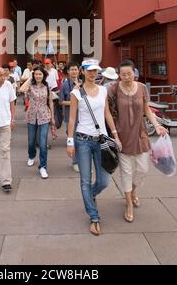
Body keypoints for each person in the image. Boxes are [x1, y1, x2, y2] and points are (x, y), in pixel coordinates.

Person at [107, 59, 167, 223]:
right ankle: (128, 204)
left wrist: (157, 125)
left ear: (134, 73)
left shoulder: (141, 88)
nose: (126, 76)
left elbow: (147, 109)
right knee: (126, 172)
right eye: (123, 74)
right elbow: (105, 108)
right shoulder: (113, 89)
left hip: (140, 133)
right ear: (119, 75)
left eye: (129, 73)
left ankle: (133, 191)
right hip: (122, 135)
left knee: (143, 170)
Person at [67, 59, 121, 236]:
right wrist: (70, 142)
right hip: (83, 140)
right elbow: (72, 119)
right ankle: (94, 216)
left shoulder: (103, 90)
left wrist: (115, 134)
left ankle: (90, 196)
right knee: (84, 180)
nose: (93, 73)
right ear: (82, 71)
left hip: (102, 140)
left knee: (104, 180)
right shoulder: (76, 93)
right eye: (89, 70)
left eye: (96, 70)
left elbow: (106, 113)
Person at [20, 65, 55, 179]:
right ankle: (31, 155)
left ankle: (43, 166)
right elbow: (21, 89)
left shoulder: (47, 86)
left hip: (44, 115)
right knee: (31, 141)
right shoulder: (30, 86)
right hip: (31, 116)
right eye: (36, 74)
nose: (38, 76)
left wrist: (52, 117)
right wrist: (30, 77)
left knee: (43, 142)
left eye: (40, 74)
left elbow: (50, 102)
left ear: (43, 75)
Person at [59, 61, 81, 172]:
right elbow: (61, 101)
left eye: (76, 69)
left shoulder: (83, 84)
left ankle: (81, 162)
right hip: (69, 117)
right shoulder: (64, 84)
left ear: (79, 71)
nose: (74, 71)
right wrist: (74, 103)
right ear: (68, 71)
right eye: (72, 69)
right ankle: (75, 162)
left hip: (82, 117)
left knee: (82, 141)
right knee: (74, 140)